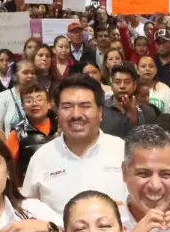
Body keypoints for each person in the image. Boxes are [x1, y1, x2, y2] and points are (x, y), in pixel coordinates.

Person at [20, 75, 127, 213]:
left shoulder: (122, 151)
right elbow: (27, 209)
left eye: (85, 106)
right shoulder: (41, 158)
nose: (76, 114)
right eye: (67, 107)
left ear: (100, 112)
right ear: (57, 112)